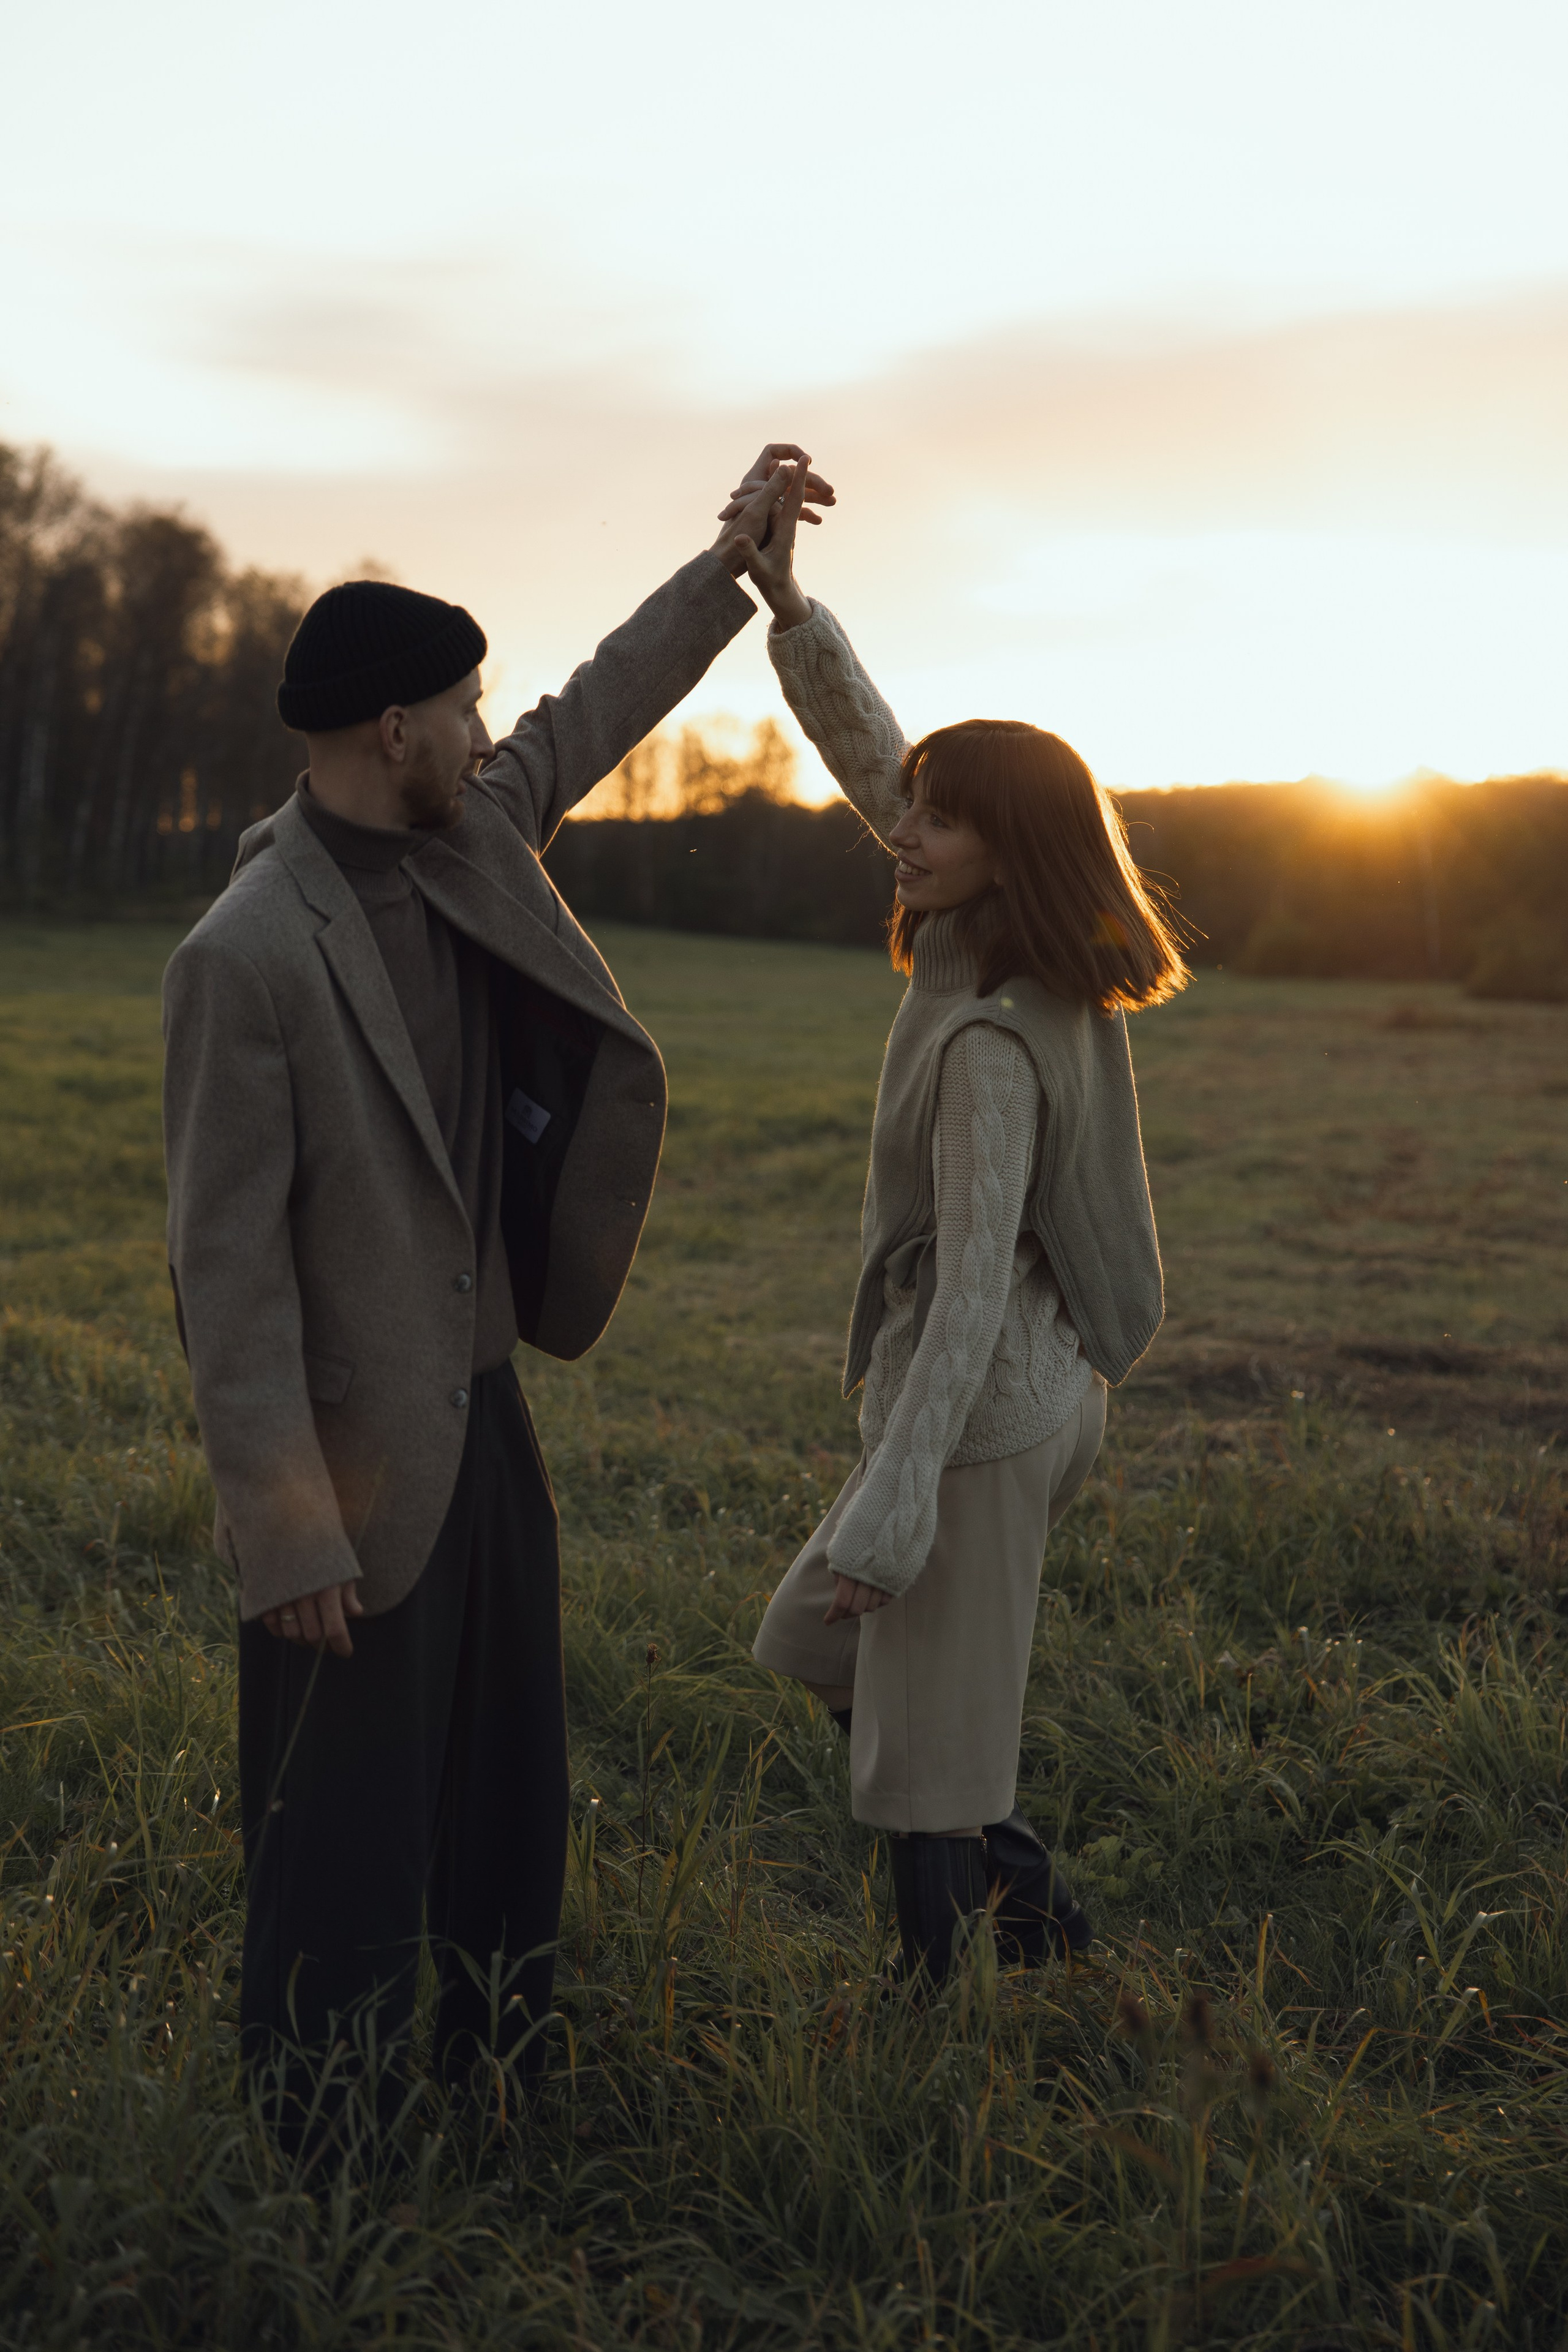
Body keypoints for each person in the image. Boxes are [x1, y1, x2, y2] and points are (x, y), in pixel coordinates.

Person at [161, 447, 834, 2144]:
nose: (486, 726)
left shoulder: (474, 838)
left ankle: (491, 2067)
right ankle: (322, 2135)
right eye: (461, 705)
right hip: (351, 1465)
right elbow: (222, 1277)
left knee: (500, 1777)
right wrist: (287, 1530)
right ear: (393, 729)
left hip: (489, 1422)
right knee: (343, 1818)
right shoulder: (244, 954)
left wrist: (731, 567)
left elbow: (593, 707)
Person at [729, 459, 1185, 1985]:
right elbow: (877, 757)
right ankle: (1034, 1913)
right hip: (1041, 1388)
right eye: (911, 814)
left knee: (927, 1754)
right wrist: (786, 604)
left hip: (982, 1417)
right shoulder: (985, 943)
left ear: (1012, 851)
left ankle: (961, 2008)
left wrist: (894, 1506)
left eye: (935, 824)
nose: (901, 837)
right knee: (814, 1645)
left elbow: (971, 1296)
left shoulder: (990, 1039)